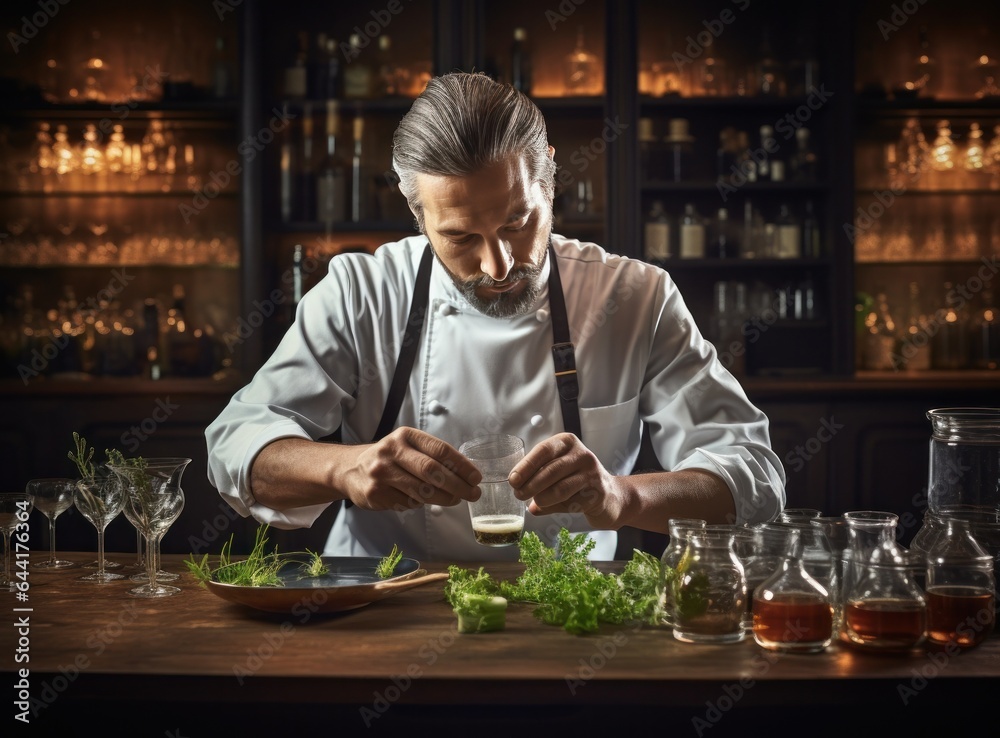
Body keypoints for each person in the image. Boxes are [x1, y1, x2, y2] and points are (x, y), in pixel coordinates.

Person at [205, 71, 785, 562]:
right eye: (460, 237)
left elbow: (754, 477)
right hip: (380, 611)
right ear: (418, 214)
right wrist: (347, 468)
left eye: (517, 223)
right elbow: (235, 448)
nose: (499, 264)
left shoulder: (634, 297)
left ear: (549, 179)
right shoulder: (362, 291)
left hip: (567, 613)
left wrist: (620, 497)